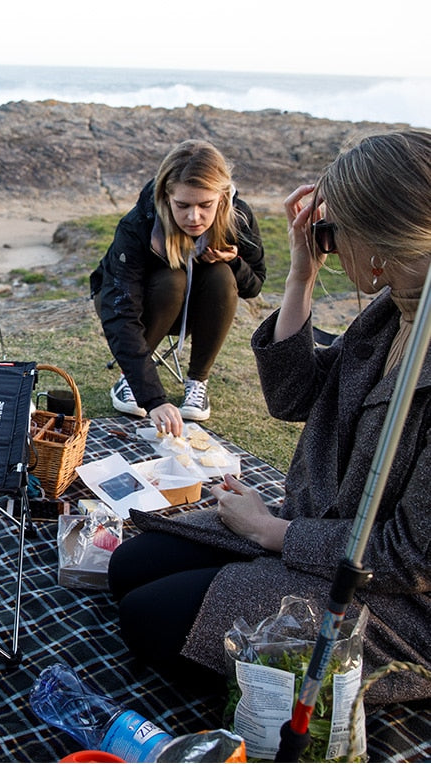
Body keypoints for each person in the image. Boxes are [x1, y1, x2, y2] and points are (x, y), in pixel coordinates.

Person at [107, 128, 431, 705]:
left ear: (384, 240)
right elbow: (295, 397)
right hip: (320, 529)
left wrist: (269, 532)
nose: (325, 243)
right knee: (130, 566)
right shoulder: (397, 308)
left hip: (390, 598)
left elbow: (411, 557)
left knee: (146, 619)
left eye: (331, 232)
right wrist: (300, 276)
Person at [90, 140, 265, 428]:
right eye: (182, 205)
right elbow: (119, 309)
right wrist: (153, 398)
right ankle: (129, 382)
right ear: (166, 196)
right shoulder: (138, 225)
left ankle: (197, 381)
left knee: (222, 275)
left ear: (222, 197)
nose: (193, 217)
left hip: (198, 311)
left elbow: (254, 285)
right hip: (142, 304)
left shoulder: (239, 218)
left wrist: (234, 261)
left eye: (205, 205)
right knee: (172, 279)